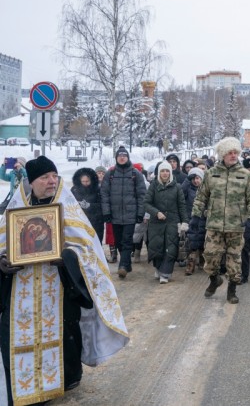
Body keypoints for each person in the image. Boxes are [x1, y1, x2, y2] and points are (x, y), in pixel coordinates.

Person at [0, 156, 128, 405]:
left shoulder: (68, 211)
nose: (51, 181)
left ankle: (55, 383)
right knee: (15, 338)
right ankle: (22, 387)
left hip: (58, 291)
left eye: (54, 176)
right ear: (31, 181)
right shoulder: (13, 213)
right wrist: (2, 264)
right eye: (44, 177)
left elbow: (89, 252)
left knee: (63, 336)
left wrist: (67, 258)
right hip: (19, 296)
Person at [190, 137, 250, 304]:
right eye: (230, 153)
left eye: (236, 152)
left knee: (234, 260)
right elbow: (201, 197)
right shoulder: (210, 174)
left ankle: (232, 290)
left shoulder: (246, 175)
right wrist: (195, 216)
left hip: (237, 226)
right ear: (222, 155)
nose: (233, 155)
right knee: (210, 257)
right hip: (214, 224)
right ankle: (215, 280)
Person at [101, 146, 146, 279]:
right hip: (114, 215)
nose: (122, 158)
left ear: (127, 158)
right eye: (120, 156)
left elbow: (142, 195)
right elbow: (104, 194)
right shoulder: (110, 174)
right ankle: (127, 264)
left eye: (124, 156)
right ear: (116, 158)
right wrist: (106, 212)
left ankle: (122, 267)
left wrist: (140, 213)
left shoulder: (135, 174)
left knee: (127, 241)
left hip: (130, 215)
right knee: (118, 241)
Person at [144, 161, 188, 284]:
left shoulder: (177, 187)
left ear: (170, 173)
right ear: (159, 173)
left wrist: (184, 221)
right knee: (157, 247)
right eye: (162, 171)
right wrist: (156, 212)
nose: (165, 173)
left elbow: (182, 206)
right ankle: (158, 268)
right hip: (156, 223)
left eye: (167, 171)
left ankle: (165, 273)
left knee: (170, 248)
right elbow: (146, 203)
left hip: (172, 222)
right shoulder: (153, 186)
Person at [71, 167, 105, 244]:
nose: (85, 183)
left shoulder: (98, 190)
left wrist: (90, 205)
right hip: (80, 221)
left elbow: (102, 205)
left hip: (96, 221)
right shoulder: (74, 190)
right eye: (83, 181)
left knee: (96, 243)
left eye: (87, 181)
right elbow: (69, 203)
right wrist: (78, 205)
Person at [182, 167, 206, 275]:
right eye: (194, 178)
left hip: (203, 219)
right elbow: (181, 194)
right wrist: (187, 180)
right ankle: (190, 264)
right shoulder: (188, 189)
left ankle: (202, 261)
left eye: (198, 178)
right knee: (191, 243)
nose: (196, 181)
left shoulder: (206, 190)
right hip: (191, 220)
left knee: (202, 242)